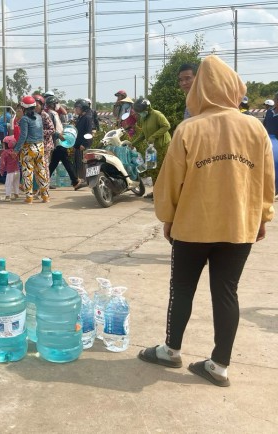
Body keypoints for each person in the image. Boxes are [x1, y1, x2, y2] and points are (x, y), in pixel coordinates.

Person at [138, 55, 275, 387]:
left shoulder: (190, 128)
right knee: (227, 292)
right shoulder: (255, 128)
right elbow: (267, 181)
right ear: (234, 87)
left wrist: (167, 218)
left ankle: (171, 350)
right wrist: (263, 217)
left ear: (198, 89)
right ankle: (219, 366)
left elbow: (169, 182)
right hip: (239, 225)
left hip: (193, 226)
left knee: (182, 288)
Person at [133, 97, 172, 199]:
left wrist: (153, 137)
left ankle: (164, 194)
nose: (140, 113)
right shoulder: (143, 118)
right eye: (139, 112)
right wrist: (134, 143)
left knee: (161, 170)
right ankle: (156, 191)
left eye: (141, 111)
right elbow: (143, 133)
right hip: (152, 149)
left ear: (148, 108)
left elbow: (166, 126)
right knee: (153, 169)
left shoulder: (157, 115)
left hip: (163, 146)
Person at [14, 96, 49, 203]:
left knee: (27, 173)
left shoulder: (24, 119)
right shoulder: (38, 116)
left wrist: (16, 149)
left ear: (23, 107)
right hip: (40, 147)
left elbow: (23, 136)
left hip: (29, 148)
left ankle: (29, 197)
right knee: (41, 171)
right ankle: (45, 196)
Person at [46, 96, 80, 190]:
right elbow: (51, 129)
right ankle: (75, 181)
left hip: (59, 140)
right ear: (53, 105)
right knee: (65, 161)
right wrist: (59, 136)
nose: (58, 105)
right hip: (58, 141)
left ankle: (44, 182)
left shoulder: (54, 113)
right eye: (57, 103)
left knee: (54, 163)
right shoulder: (51, 114)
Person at [73, 99, 94, 187]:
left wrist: (84, 144)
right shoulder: (80, 118)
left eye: (77, 108)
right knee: (78, 163)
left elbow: (89, 132)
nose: (76, 110)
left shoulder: (87, 118)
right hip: (78, 144)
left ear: (83, 108)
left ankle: (86, 180)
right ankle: (81, 179)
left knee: (84, 163)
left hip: (83, 145)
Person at [0, 135, 20, 201]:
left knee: (8, 184)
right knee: (16, 183)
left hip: (10, 172)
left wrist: (1, 170)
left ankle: (8, 196)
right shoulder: (16, 151)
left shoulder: (4, 153)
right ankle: (16, 194)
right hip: (17, 171)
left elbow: (2, 163)